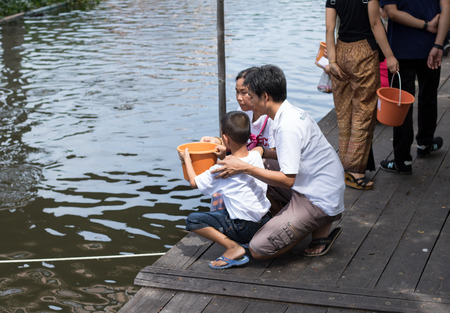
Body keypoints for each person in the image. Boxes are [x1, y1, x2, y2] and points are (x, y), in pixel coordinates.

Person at [212, 65, 345, 259]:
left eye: (251, 95)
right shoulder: (289, 112)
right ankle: (294, 223)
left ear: (265, 96)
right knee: (261, 163)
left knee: (258, 249)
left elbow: (287, 180)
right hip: (316, 183)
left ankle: (312, 224)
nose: (248, 100)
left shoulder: (287, 126)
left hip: (317, 197)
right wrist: (262, 152)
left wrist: (245, 167)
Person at [179, 111, 271, 269]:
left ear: (225, 139)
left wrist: (186, 159)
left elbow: (194, 183)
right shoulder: (255, 156)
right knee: (225, 204)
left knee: (193, 220)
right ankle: (245, 242)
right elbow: (257, 150)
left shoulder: (222, 168)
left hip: (243, 227)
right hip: (264, 220)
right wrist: (225, 153)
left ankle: (233, 248)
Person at [325, 0, 399, 190]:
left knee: (343, 114)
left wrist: (332, 60)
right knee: (363, 113)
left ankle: (344, 166)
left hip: (340, 52)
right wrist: (389, 56)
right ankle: (355, 171)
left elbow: (330, 28)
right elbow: (375, 24)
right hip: (364, 52)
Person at [379, 0, 449, 174]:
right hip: (430, 46)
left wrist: (426, 26)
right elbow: (447, 9)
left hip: (400, 50)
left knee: (401, 105)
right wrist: (438, 45)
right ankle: (425, 143)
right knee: (428, 96)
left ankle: (402, 160)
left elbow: (391, 12)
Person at [201, 67, 276, 159]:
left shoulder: (272, 118)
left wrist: (260, 151)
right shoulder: (243, 112)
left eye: (244, 92)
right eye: (237, 92)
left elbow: (279, 156)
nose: (239, 98)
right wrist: (217, 141)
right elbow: (236, 141)